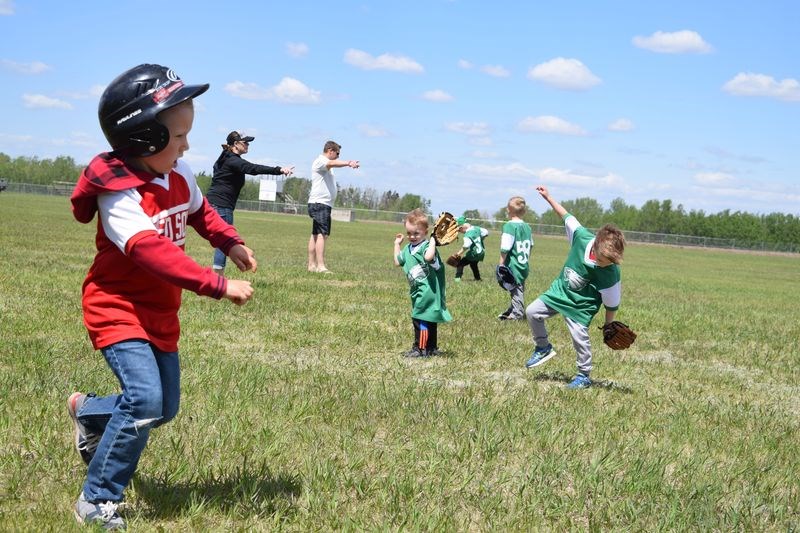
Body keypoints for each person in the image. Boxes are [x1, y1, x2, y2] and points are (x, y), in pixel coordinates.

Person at [67, 64, 257, 529]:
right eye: (178, 136)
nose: (187, 146)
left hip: (160, 312)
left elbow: (202, 212)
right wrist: (216, 284)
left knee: (162, 408)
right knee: (145, 401)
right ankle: (97, 497)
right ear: (143, 140)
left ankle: (88, 411)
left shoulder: (179, 173)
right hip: (117, 309)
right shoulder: (119, 195)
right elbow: (152, 253)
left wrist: (228, 241)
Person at [524, 185, 626, 389]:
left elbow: (611, 304)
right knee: (532, 311)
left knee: (579, 336)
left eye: (611, 261)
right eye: (604, 260)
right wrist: (548, 197)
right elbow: (566, 216)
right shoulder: (581, 238)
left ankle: (584, 374)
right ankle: (543, 347)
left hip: (582, 304)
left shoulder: (611, 273)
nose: (607, 264)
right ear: (596, 246)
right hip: (559, 292)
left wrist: (608, 326)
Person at [207, 131, 293, 274]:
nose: (247, 145)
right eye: (245, 142)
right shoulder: (233, 160)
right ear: (235, 144)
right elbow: (253, 168)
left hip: (215, 203)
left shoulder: (225, 157)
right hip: (222, 205)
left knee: (222, 239)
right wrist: (279, 170)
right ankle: (218, 276)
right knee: (225, 239)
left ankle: (217, 274)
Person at [393, 208, 452, 357]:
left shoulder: (427, 247)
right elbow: (397, 262)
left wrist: (433, 240)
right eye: (409, 233)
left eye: (416, 233)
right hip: (417, 290)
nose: (412, 236)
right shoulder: (408, 248)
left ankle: (420, 349)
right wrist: (397, 244)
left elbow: (428, 257)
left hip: (428, 291)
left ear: (425, 232)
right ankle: (431, 348)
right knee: (429, 318)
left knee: (420, 318)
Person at [307, 140, 359, 273]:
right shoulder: (321, 161)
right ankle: (320, 266)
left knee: (315, 234)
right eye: (337, 153)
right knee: (322, 235)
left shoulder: (325, 165)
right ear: (330, 150)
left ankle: (311, 265)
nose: (338, 157)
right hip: (320, 204)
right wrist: (348, 163)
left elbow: (331, 164)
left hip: (321, 204)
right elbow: (331, 163)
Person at [497, 196, 533, 320]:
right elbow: (531, 245)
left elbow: (505, 248)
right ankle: (513, 309)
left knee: (516, 289)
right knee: (518, 287)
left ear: (509, 210)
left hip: (514, 264)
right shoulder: (527, 227)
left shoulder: (509, 226)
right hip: (523, 263)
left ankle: (517, 313)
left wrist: (501, 264)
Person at [451, 215, 489, 282]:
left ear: (462, 227)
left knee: (460, 263)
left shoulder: (467, 235)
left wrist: (457, 254)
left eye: (459, 230)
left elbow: (466, 246)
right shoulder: (476, 228)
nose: (459, 232)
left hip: (474, 252)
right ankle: (478, 279)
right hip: (481, 252)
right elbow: (486, 232)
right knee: (473, 264)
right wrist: (480, 239)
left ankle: (457, 279)